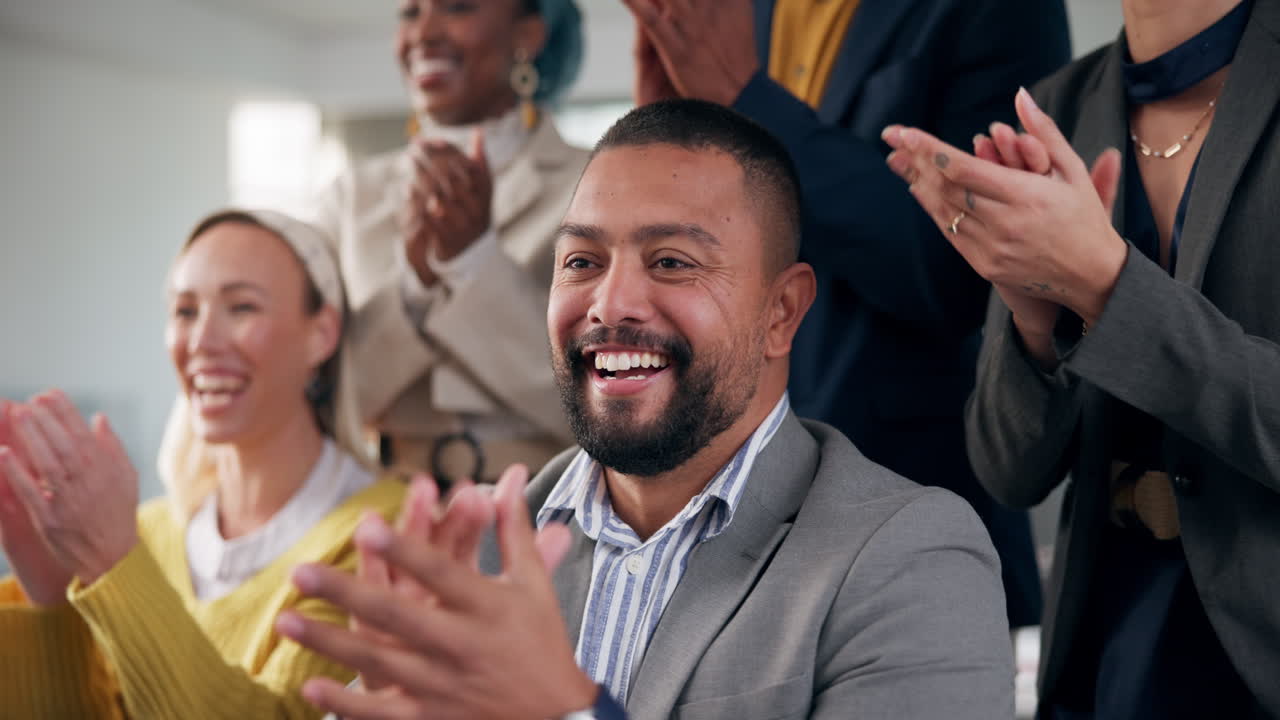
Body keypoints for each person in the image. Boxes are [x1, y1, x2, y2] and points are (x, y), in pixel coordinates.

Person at [277, 99, 1015, 720]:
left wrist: (565, 708)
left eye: (671, 262)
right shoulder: (480, 558)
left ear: (781, 313)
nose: (611, 304)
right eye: (581, 262)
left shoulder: (911, 555)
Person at [883, 0, 1280, 715]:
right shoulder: (1057, 104)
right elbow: (1009, 470)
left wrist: (1106, 287)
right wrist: (1036, 325)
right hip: (1106, 658)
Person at [620, 0, 1072, 629]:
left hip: (907, 528)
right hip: (718, 533)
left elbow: (964, 278)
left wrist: (749, 100)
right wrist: (671, 145)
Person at [0, 210, 404, 718]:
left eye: (241, 307)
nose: (202, 342)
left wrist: (113, 564)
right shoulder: (148, 530)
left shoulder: (387, 532)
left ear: (321, 334)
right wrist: (49, 594)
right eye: (185, 311)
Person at [308, 0, 587, 485]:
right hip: (387, 506)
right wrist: (415, 285)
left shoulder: (595, 182)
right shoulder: (350, 198)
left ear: (529, 36)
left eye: (457, 7)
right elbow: (323, 399)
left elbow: (606, 400)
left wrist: (474, 262)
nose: (424, 33)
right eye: (410, 12)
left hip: (552, 509)